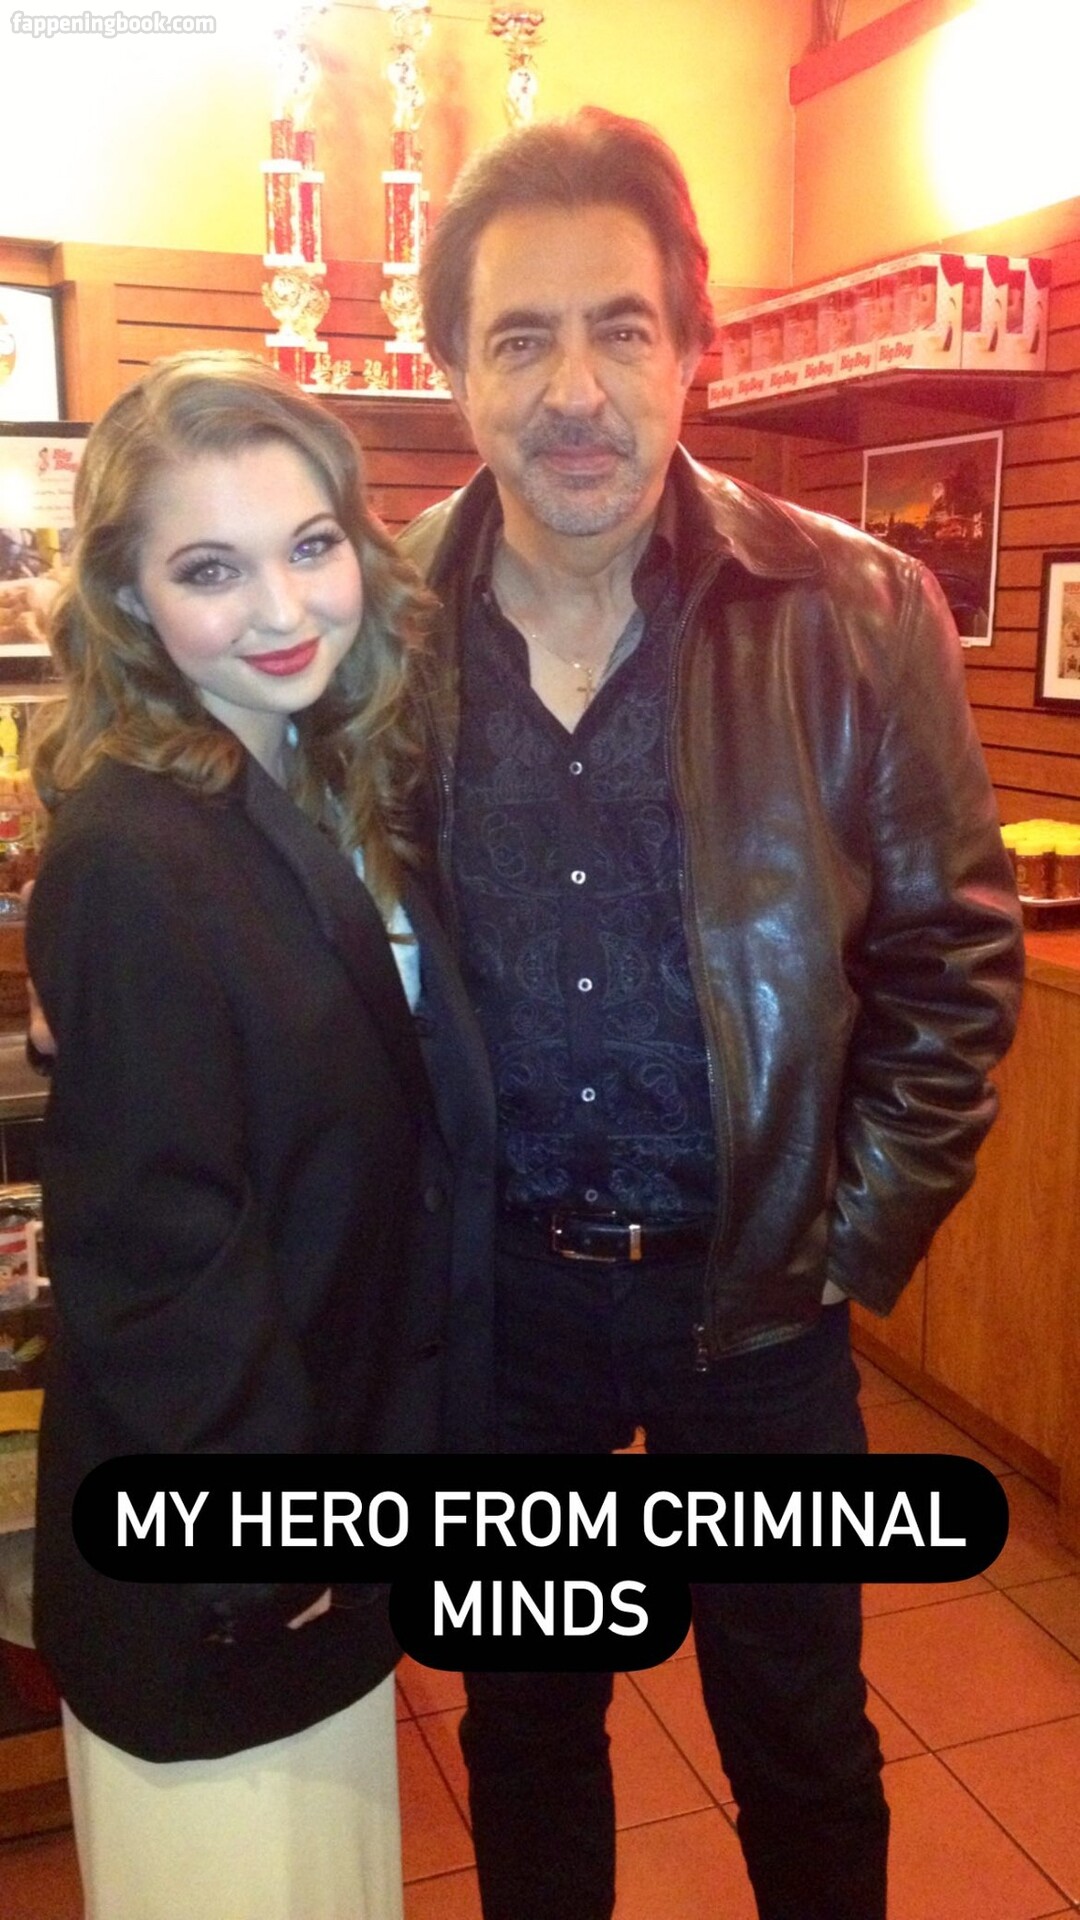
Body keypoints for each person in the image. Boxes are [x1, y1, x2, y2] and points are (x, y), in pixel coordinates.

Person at [397, 107, 1025, 1920]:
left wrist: (849, 1242)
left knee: (800, 1732)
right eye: (521, 338)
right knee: (528, 1727)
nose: (575, 390)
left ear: (693, 350)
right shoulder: (378, 630)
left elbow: (955, 958)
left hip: (758, 1309)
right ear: (455, 372)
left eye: (622, 328)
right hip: (504, 1314)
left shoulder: (855, 609)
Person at [25, 351, 492, 1920]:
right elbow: (160, 1274)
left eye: (308, 544)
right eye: (210, 569)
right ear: (129, 600)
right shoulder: (134, 849)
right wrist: (270, 1556)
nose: (283, 607)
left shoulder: (313, 774)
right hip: (224, 1567)